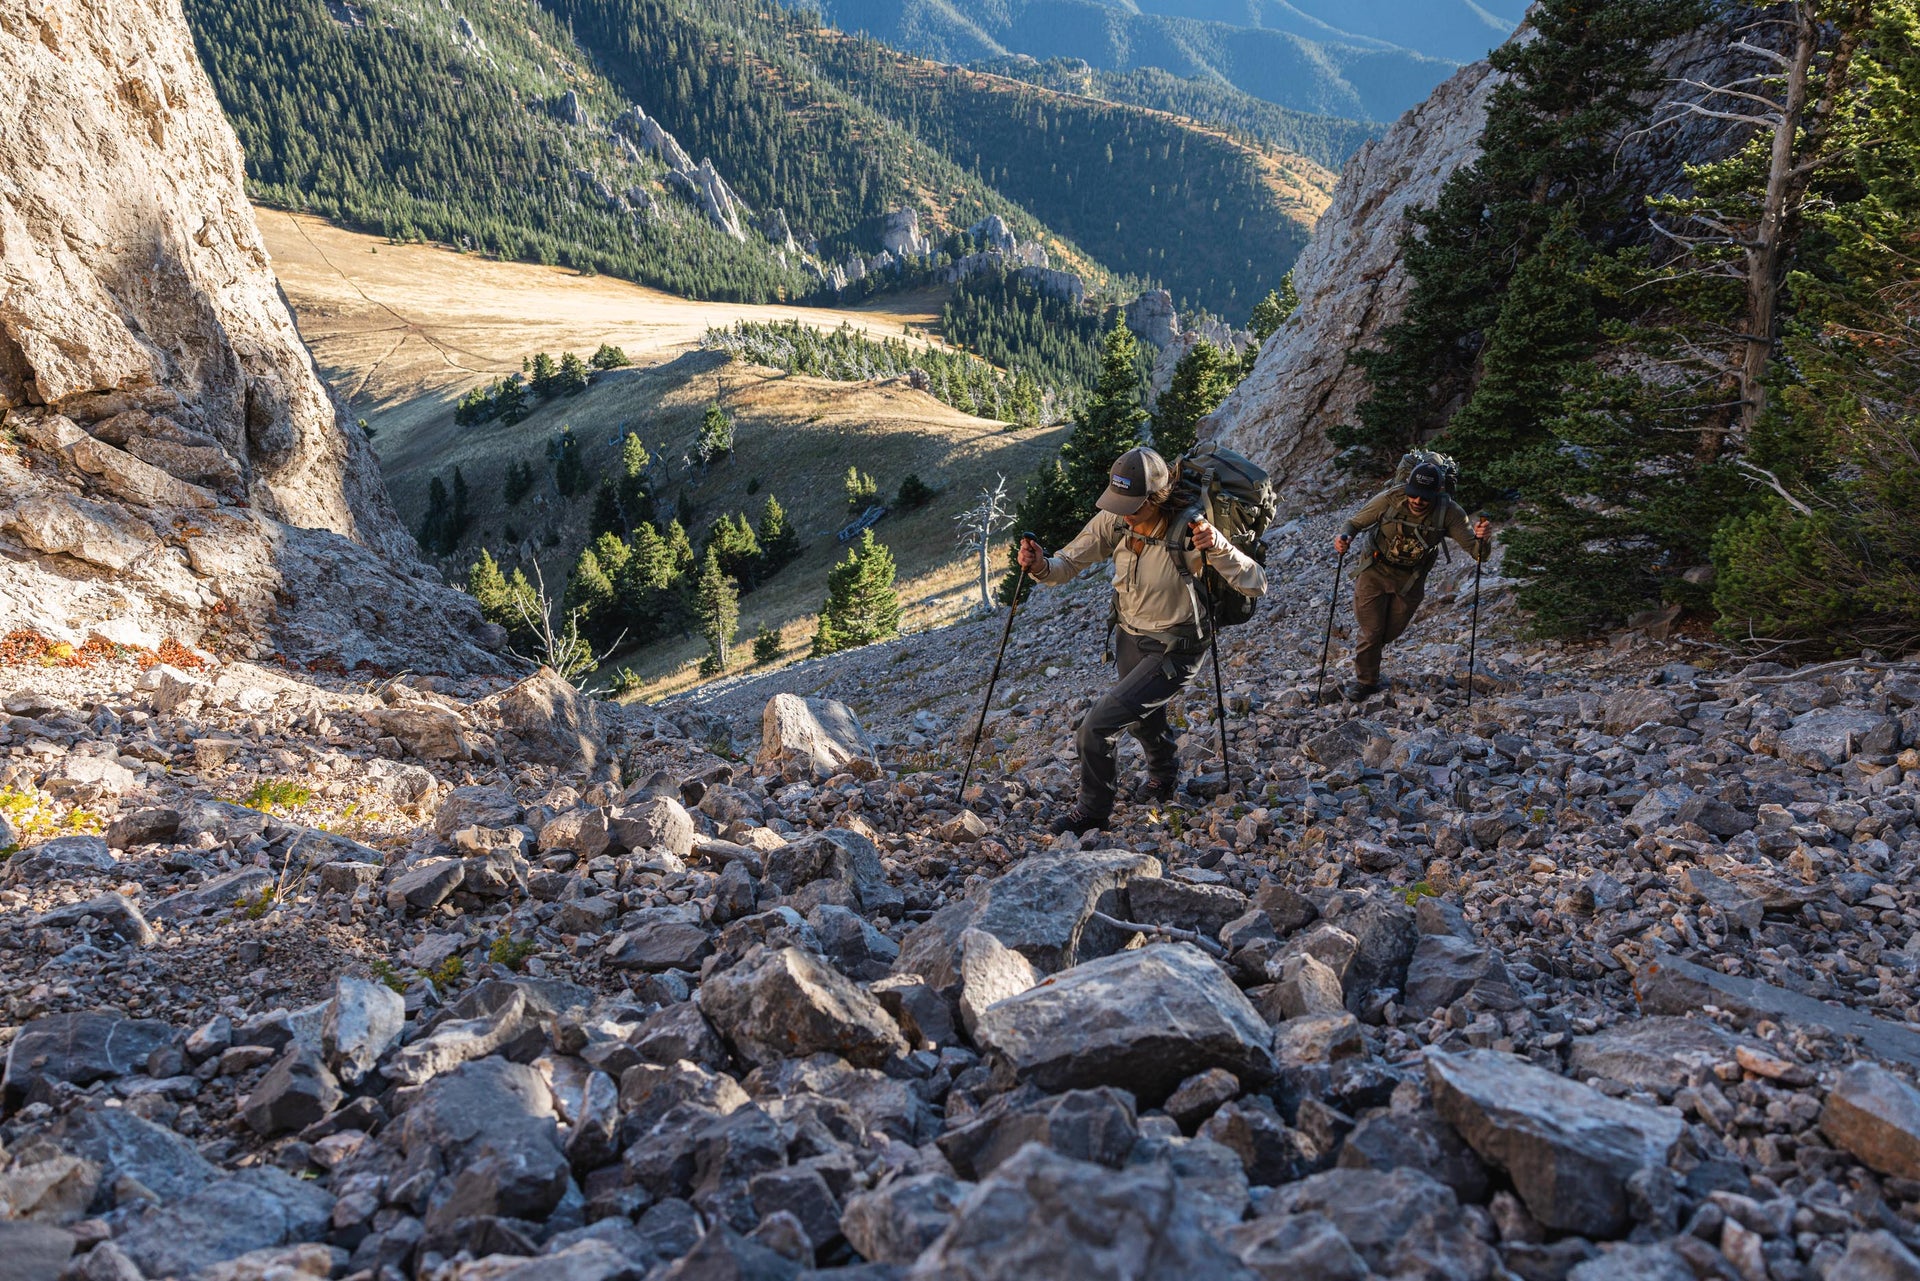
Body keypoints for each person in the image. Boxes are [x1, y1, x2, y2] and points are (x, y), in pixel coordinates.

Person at [1017, 447, 1266, 836]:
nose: (1124, 512)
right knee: (1143, 719)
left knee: (1096, 727)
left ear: (1156, 497)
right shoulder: (1115, 520)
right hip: (1129, 635)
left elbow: (1256, 582)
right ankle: (1164, 777)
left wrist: (1217, 545)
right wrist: (1040, 566)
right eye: (1118, 502)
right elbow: (1067, 564)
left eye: (1132, 504)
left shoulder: (1191, 530)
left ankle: (1093, 811)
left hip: (1176, 647)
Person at [1333, 461, 1492, 701]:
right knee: (1372, 632)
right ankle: (1366, 681)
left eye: (1424, 498)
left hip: (1411, 579)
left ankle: (1371, 659)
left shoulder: (1449, 512)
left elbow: (1478, 553)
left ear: (1437, 493)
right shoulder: (1389, 499)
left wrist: (1483, 539)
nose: (1418, 501)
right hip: (1374, 571)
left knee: (1389, 633)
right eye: (1414, 495)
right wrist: (1344, 538)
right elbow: (1354, 523)